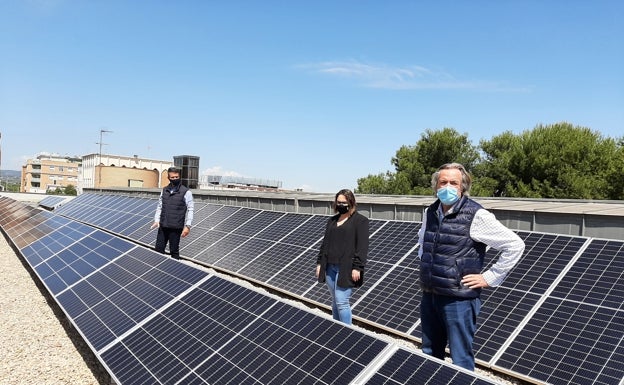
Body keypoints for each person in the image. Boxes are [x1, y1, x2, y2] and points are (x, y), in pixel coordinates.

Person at [417, 162, 525, 371]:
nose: (447, 186)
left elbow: (514, 245)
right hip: (430, 294)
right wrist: (425, 266)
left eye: (453, 183)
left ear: (462, 187)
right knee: (429, 353)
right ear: (435, 186)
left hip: (458, 300)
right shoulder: (430, 212)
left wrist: (489, 277)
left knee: (461, 359)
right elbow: (422, 240)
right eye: (443, 182)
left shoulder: (476, 215)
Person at [316, 189, 369, 325]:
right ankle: (337, 329)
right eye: (338, 202)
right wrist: (319, 263)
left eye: (344, 202)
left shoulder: (360, 221)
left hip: (346, 268)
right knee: (334, 301)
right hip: (330, 267)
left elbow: (362, 247)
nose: (340, 205)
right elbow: (325, 243)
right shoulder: (332, 221)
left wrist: (357, 267)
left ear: (351, 203)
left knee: (342, 302)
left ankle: (347, 332)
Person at [151, 167, 194, 260]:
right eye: (172, 177)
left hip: (176, 227)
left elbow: (190, 209)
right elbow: (159, 206)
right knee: (158, 249)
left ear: (180, 177)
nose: (175, 179)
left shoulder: (186, 192)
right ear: (168, 178)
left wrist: (188, 226)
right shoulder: (164, 190)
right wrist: (157, 220)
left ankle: (175, 270)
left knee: (174, 251)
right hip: (163, 225)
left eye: (176, 177)